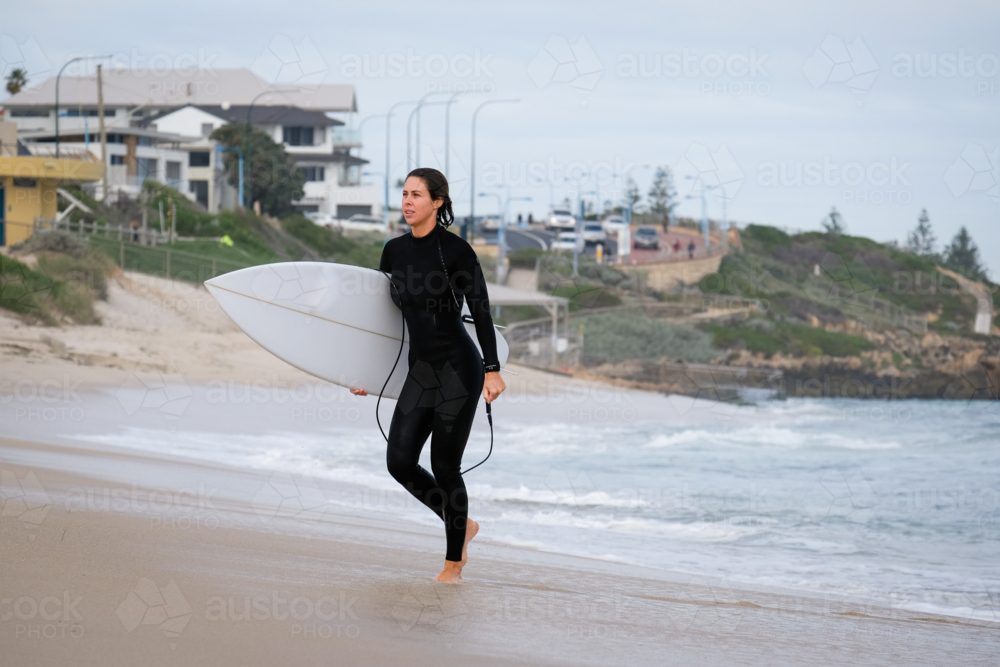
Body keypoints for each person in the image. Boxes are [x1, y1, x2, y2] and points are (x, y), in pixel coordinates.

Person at [351, 167, 506, 584]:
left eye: (416, 195)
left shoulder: (456, 253)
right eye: (404, 194)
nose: (407, 202)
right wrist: (363, 371)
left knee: (444, 466)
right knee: (399, 461)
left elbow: (482, 310)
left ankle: (453, 565)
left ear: (437, 202)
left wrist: (493, 370)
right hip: (420, 372)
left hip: (459, 370)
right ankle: (462, 523)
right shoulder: (393, 251)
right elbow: (383, 322)